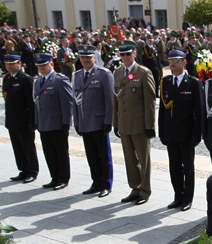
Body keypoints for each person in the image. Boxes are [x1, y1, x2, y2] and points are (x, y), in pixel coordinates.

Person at [159, 48, 204, 211]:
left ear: (184, 62)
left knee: (188, 167)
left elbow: (199, 112)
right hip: (171, 133)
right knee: (174, 167)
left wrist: (197, 135)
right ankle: (178, 196)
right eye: (170, 61)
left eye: (176, 61)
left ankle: (187, 198)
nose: (172, 64)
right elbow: (162, 110)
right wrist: (161, 132)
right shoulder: (165, 82)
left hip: (186, 134)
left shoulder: (193, 83)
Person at [113, 39, 156, 205]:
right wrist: (115, 123)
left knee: (144, 159)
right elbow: (115, 100)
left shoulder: (144, 73)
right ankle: (135, 188)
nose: (125, 57)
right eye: (122, 54)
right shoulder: (118, 73)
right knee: (130, 159)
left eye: (128, 54)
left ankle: (145, 190)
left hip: (139, 124)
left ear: (134, 54)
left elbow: (150, 101)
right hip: (124, 124)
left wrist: (150, 125)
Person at [72, 45, 114, 198]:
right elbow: (75, 101)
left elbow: (110, 101)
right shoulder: (77, 75)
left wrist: (108, 121)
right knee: (91, 155)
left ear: (94, 58)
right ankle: (96, 182)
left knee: (104, 156)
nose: (86, 60)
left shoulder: (104, 74)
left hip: (99, 121)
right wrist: (76, 122)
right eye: (83, 58)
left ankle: (106, 184)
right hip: (84, 121)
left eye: (88, 58)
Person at [33, 53, 73, 190]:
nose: (42, 68)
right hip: (44, 123)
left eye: (44, 65)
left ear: (51, 63)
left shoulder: (60, 80)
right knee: (49, 152)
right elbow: (37, 103)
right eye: (39, 66)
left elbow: (68, 103)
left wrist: (66, 122)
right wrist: (36, 121)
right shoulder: (38, 81)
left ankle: (63, 178)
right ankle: (54, 177)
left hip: (57, 123)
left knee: (61, 152)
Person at [3, 51, 38, 183]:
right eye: (7, 64)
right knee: (17, 147)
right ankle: (23, 169)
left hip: (24, 120)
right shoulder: (7, 78)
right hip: (12, 119)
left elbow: (31, 102)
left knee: (28, 146)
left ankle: (32, 171)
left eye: (12, 64)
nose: (9, 66)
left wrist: (32, 121)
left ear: (19, 63)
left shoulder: (26, 79)